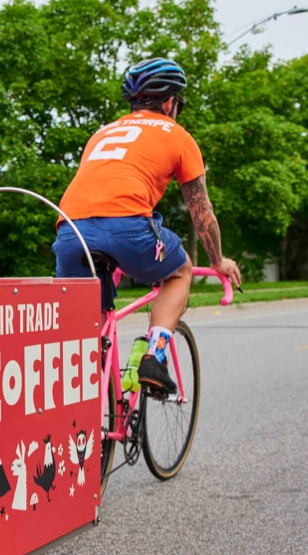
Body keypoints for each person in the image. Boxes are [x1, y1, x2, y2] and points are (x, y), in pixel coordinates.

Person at [53, 57, 242, 394]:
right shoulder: (178, 135)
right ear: (169, 101)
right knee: (179, 270)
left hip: (69, 232)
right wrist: (217, 260)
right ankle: (153, 358)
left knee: (88, 330)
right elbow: (201, 210)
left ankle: (89, 405)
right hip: (128, 228)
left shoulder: (101, 134)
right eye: (178, 102)